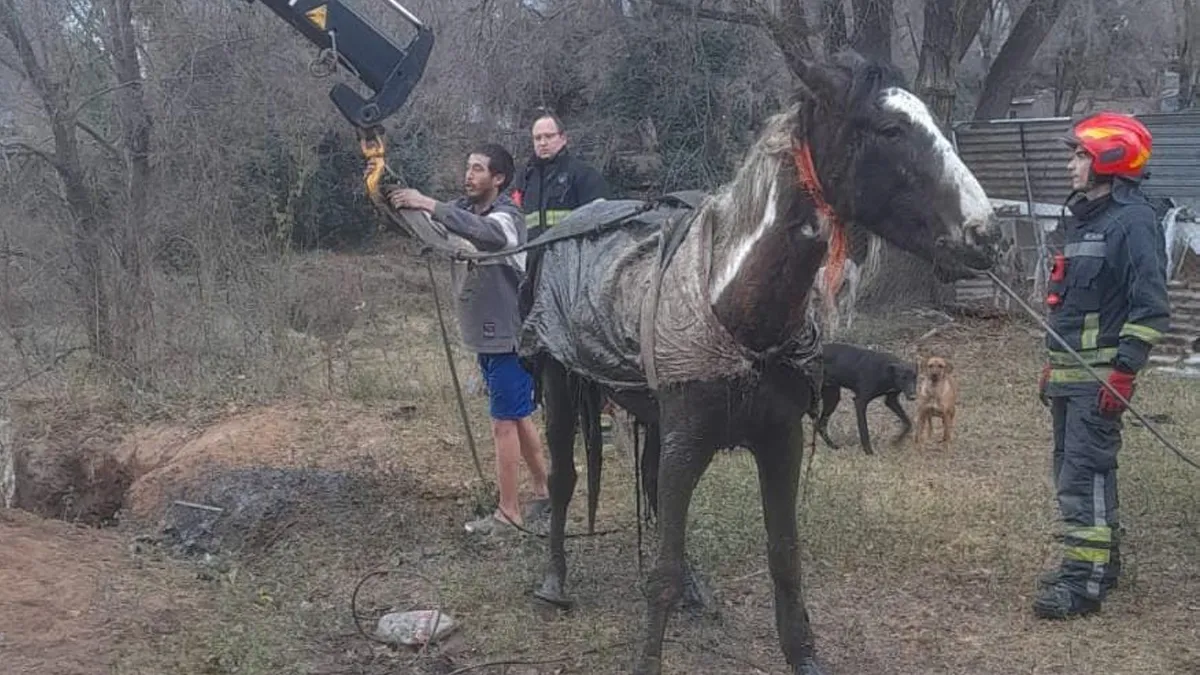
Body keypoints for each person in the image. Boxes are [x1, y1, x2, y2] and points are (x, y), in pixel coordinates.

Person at [1034, 111, 1170, 619]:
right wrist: (1051, 364)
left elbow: (1151, 305)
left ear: (1109, 159)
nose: (1071, 165)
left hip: (1097, 383)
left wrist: (1125, 369)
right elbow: (1068, 307)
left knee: (1082, 476)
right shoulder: (1084, 222)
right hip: (1070, 381)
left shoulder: (1132, 223)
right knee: (1079, 471)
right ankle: (1099, 566)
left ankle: (1081, 585)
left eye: (1080, 155)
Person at [389, 143, 550, 536]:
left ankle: (509, 513)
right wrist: (388, 191)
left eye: (478, 169)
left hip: (510, 338)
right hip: (485, 335)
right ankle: (546, 492)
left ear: (498, 179)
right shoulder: (463, 212)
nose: (469, 175)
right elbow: (430, 226)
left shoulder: (508, 218)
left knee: (503, 426)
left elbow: (486, 235)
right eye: (468, 168)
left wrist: (428, 202)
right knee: (517, 415)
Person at [512, 111, 610, 241]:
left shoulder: (584, 174)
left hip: (572, 255)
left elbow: (601, 219)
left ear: (563, 138)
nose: (542, 143)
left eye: (549, 136)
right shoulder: (524, 178)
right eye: (537, 138)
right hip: (532, 257)